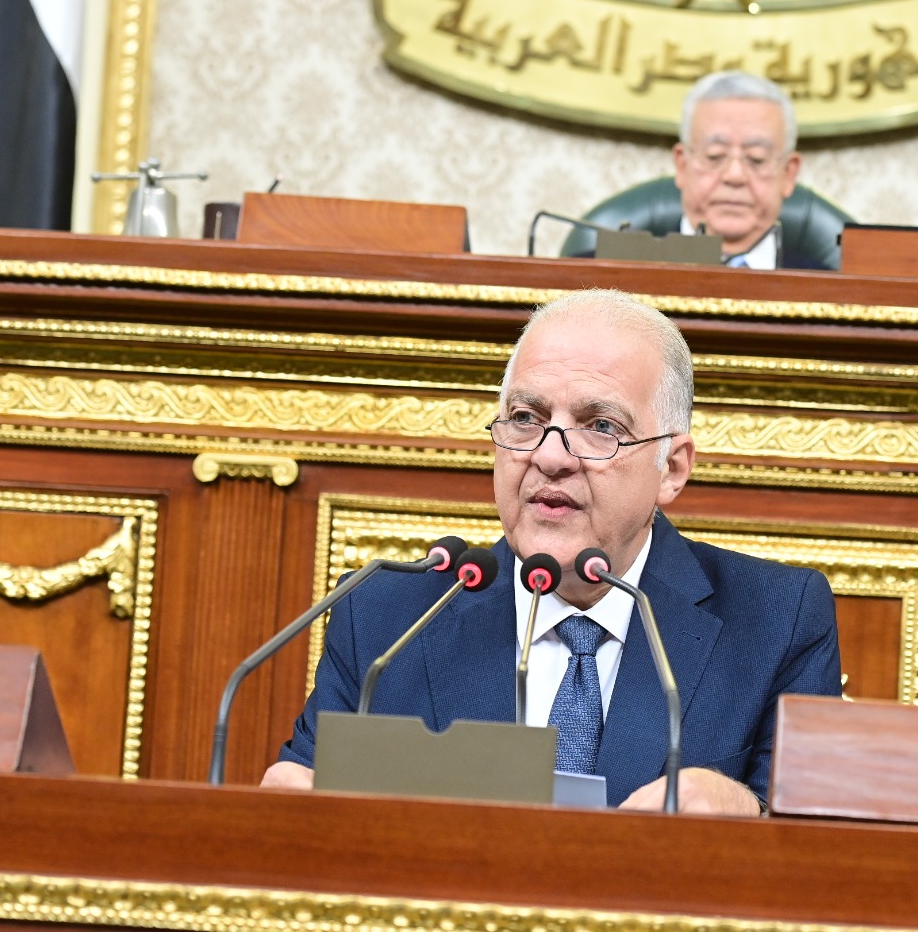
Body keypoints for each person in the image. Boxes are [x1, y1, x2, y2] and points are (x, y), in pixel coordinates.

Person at [263, 289, 841, 813]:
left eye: (600, 426)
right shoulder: (387, 616)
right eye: (525, 418)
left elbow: (818, 852)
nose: (550, 456)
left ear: (671, 467)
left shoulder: (776, 621)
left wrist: (748, 812)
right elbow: (302, 809)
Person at [672, 71, 814, 269]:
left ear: (788, 173)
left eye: (757, 159)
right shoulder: (628, 278)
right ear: (682, 166)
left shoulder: (828, 285)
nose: (735, 176)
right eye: (715, 156)